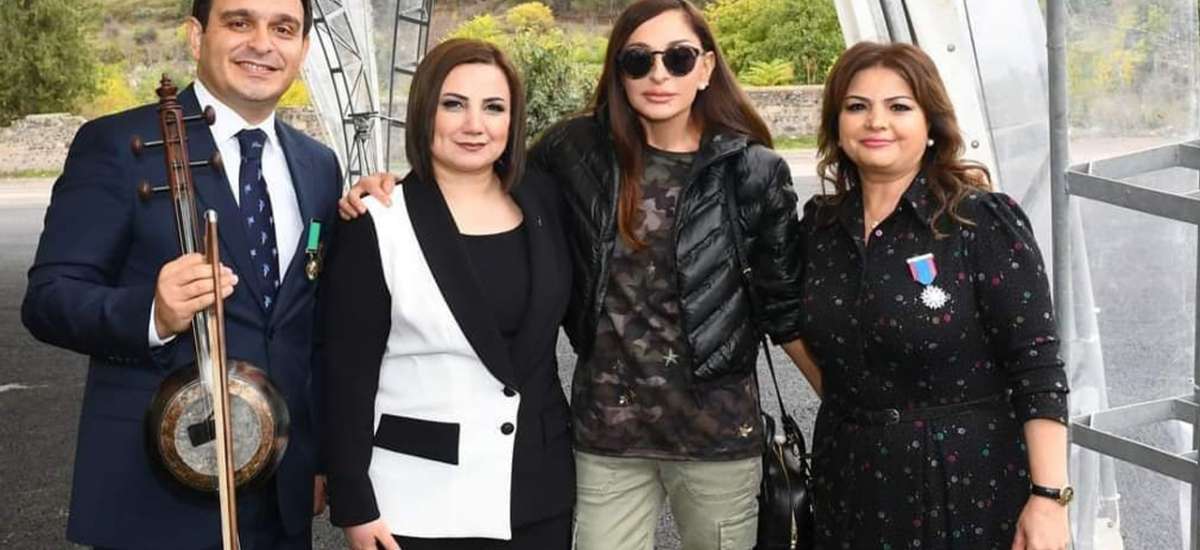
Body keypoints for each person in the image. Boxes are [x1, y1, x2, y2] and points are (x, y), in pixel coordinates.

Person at [342, 2, 808, 548]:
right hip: (606, 439)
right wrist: (393, 190)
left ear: (705, 67)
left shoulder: (754, 170)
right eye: (638, 60)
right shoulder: (573, 152)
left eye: (679, 58)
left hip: (718, 438)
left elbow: (784, 307)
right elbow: (480, 169)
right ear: (618, 71)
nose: (658, 74)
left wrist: (852, 407)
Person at [20, 1, 355, 548]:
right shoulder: (117, 146)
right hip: (156, 501)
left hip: (279, 500)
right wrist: (152, 313)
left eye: (283, 28)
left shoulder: (319, 165)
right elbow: (48, 299)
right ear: (197, 36)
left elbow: (310, 328)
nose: (262, 44)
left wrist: (314, 457)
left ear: (303, 49)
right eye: (239, 22)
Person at [794, 41, 1071, 550]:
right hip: (850, 481)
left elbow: (1037, 365)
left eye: (899, 106)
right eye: (857, 106)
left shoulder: (979, 222)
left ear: (931, 126)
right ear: (837, 123)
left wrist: (1049, 498)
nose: (876, 122)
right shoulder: (819, 228)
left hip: (966, 486)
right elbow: (791, 323)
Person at [320, 38, 574, 550]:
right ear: (423, 112)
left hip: (536, 492)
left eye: (494, 107)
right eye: (454, 104)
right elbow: (345, 374)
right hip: (417, 502)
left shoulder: (546, 200)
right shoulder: (376, 221)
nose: (475, 125)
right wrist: (354, 501)